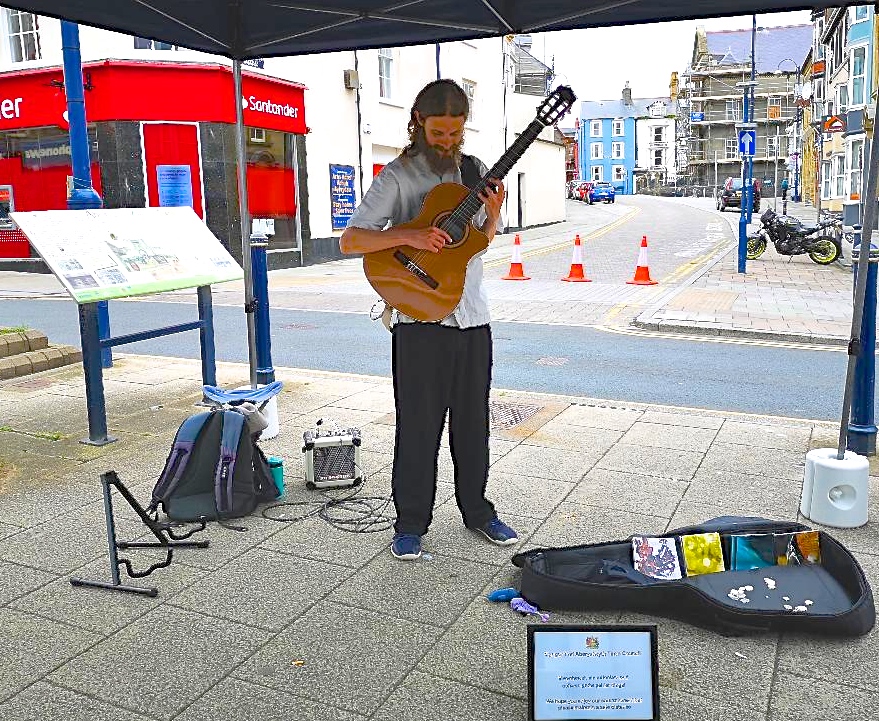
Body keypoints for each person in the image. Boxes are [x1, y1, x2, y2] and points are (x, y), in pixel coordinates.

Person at [339, 79, 519, 561]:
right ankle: (411, 523)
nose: (446, 142)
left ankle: (478, 512)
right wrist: (413, 237)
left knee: (473, 423)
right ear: (418, 122)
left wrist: (494, 214)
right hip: (419, 320)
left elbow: (478, 241)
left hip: (472, 316)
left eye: (454, 133)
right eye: (438, 133)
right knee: (418, 425)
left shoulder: (475, 171)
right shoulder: (397, 177)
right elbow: (352, 240)